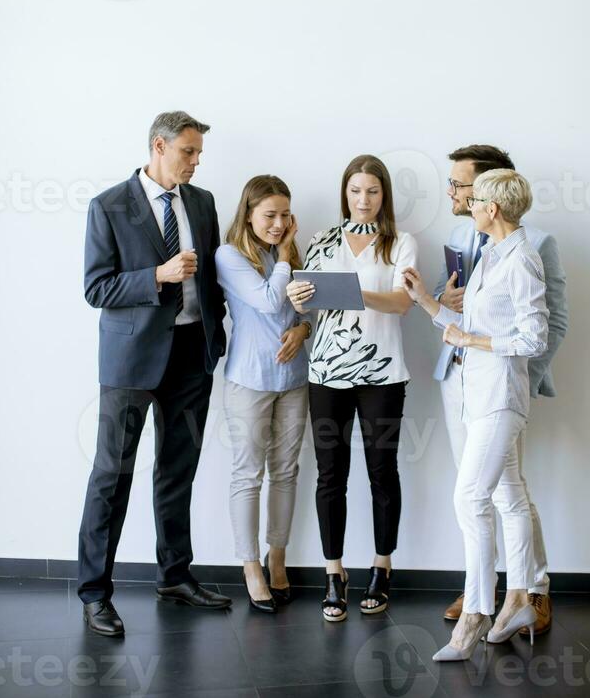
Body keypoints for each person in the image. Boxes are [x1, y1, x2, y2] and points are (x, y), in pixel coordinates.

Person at [77, 111, 231, 636]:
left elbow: (212, 276)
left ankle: (175, 576)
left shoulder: (203, 202)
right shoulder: (109, 205)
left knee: (177, 471)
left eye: (198, 154)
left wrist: (218, 332)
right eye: (188, 152)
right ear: (159, 146)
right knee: (111, 475)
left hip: (192, 356)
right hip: (130, 363)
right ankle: (95, 593)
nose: (195, 162)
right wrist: (156, 276)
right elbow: (97, 288)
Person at [404, 169, 549, 661]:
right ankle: (521, 600)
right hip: (477, 394)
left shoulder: (523, 260)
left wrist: (473, 341)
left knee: (470, 497)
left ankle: (475, 615)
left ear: (493, 209)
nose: (465, 201)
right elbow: (470, 323)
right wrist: (427, 301)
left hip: (501, 397)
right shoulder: (491, 253)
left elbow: (534, 338)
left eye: (474, 197)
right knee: (508, 496)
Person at [434, 145, 567, 635]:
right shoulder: (458, 235)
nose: (452, 193)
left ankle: (532, 588)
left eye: (459, 185)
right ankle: (485, 588)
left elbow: (551, 325)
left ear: (489, 192)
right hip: (459, 378)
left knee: (504, 491)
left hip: (504, 387)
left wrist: (520, 383)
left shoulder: (538, 245)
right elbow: (465, 302)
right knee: (484, 489)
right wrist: (437, 299)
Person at [287, 155, 417, 622]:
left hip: (383, 374)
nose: (364, 200)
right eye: (356, 191)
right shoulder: (321, 241)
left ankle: (382, 567)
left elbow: (404, 303)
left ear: (385, 196)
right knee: (330, 476)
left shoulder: (400, 243)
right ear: (345, 191)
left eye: (373, 192)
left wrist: (354, 293)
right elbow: (308, 303)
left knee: (382, 472)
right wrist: (298, 297)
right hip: (325, 373)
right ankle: (333, 573)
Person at [215, 176, 310, 614]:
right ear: (248, 213)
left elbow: (307, 308)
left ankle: (277, 556)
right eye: (269, 215)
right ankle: (250, 565)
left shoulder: (285, 252)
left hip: (292, 379)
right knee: (248, 474)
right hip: (249, 381)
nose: (278, 223)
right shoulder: (230, 256)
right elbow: (272, 301)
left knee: (285, 472)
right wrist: (288, 256)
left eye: (284, 215)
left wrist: (303, 329)